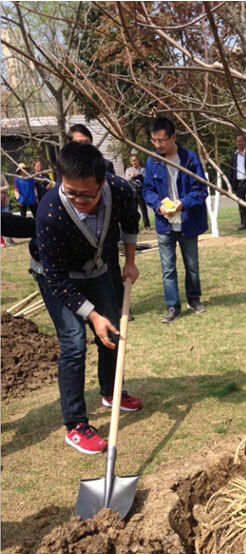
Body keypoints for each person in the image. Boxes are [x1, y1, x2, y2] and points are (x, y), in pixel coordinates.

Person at [29, 143, 142, 454]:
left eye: (86, 195)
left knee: (113, 333)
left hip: (96, 269)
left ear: (102, 182)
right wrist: (92, 315)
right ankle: (76, 424)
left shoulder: (118, 189)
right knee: (73, 343)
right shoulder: (50, 212)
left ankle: (111, 391)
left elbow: (131, 223)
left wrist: (129, 261)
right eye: (70, 191)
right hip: (57, 276)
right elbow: (57, 279)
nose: (78, 200)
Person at [143, 117, 208, 323]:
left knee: (192, 266)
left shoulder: (189, 159)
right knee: (168, 268)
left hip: (187, 221)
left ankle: (194, 299)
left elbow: (201, 189)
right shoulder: (152, 161)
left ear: (173, 137)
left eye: (161, 141)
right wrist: (159, 206)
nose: (157, 145)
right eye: (153, 141)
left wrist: (182, 203)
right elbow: (147, 190)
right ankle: (173, 306)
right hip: (165, 225)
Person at [66, 124, 124, 311]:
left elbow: (116, 198)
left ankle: (120, 304)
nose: (84, 148)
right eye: (79, 143)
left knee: (111, 267)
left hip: (105, 230)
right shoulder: (66, 170)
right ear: (69, 144)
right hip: (79, 233)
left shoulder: (105, 167)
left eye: (87, 143)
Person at [228, 134, 246, 230]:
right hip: (238, 183)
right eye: (238, 141)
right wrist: (231, 185)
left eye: (241, 141)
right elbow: (231, 171)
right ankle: (244, 223)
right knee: (241, 204)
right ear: (235, 143)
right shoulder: (234, 155)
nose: (240, 143)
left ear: (244, 142)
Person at [125, 154, 150, 229]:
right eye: (132, 161)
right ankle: (135, 225)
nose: (134, 162)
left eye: (135, 160)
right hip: (132, 192)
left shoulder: (143, 170)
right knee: (133, 210)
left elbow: (146, 179)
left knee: (143, 209)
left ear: (138, 160)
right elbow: (126, 180)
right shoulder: (128, 170)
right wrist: (131, 175)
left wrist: (138, 174)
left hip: (140, 192)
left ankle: (147, 224)